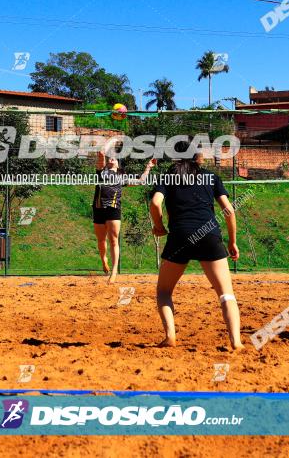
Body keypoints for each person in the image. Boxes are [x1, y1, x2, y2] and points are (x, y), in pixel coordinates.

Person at [149, 141, 243, 350]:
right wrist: (232, 241)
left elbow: (155, 203)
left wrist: (159, 226)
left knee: (164, 291)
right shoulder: (211, 177)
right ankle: (236, 342)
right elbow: (229, 210)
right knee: (226, 294)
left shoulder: (167, 177)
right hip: (209, 234)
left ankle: (170, 337)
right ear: (197, 157)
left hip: (180, 236)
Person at [92, 138, 155, 283]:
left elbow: (140, 181)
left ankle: (114, 272)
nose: (112, 158)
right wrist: (113, 139)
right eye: (110, 157)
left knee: (114, 240)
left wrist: (148, 167)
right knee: (101, 241)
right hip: (98, 208)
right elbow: (102, 152)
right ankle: (104, 260)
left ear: (118, 163)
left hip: (114, 209)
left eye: (115, 157)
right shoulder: (101, 172)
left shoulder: (122, 176)